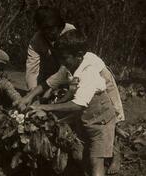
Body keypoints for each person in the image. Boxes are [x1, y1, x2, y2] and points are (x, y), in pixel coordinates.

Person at [25, 33, 119, 176]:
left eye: (65, 58)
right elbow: (60, 86)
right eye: (60, 58)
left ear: (79, 56)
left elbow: (78, 104)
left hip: (101, 120)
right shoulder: (72, 65)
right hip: (87, 118)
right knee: (84, 156)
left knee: (96, 160)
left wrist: (44, 107)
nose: (62, 62)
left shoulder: (89, 71)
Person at [25, 6, 76, 90]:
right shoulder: (36, 41)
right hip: (48, 75)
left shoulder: (70, 31)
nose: (49, 33)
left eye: (52, 29)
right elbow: (32, 70)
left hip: (71, 74)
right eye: (44, 29)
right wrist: (32, 92)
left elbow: (74, 62)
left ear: (59, 25)